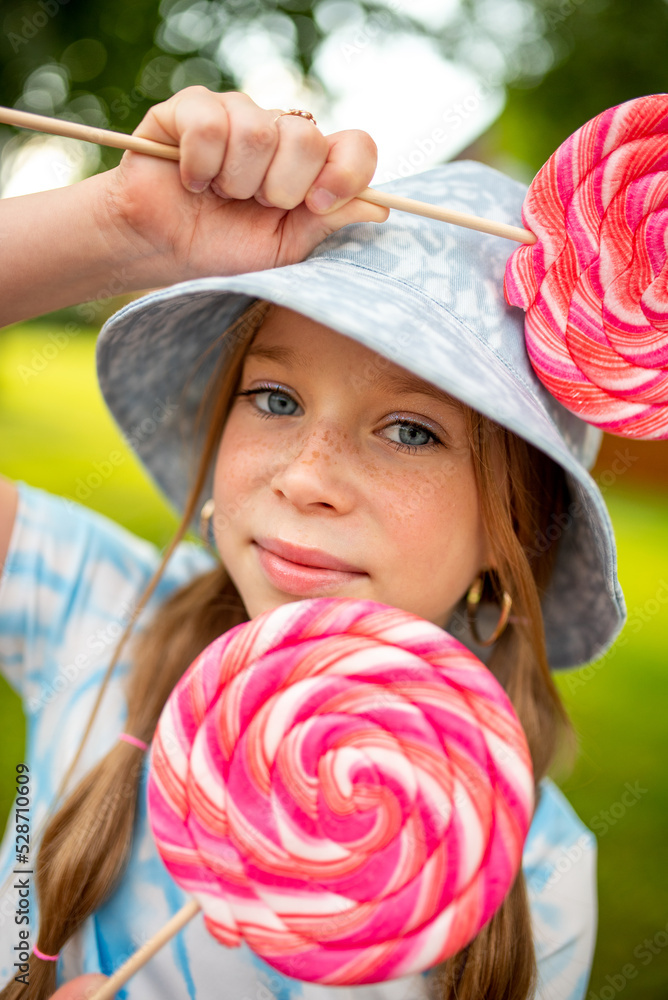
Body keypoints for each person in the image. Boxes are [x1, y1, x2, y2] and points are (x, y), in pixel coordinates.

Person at [0, 87, 624, 1000]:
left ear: (520, 528)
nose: (305, 476)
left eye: (411, 430)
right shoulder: (94, 608)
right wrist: (119, 226)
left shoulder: (537, 871)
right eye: (277, 399)